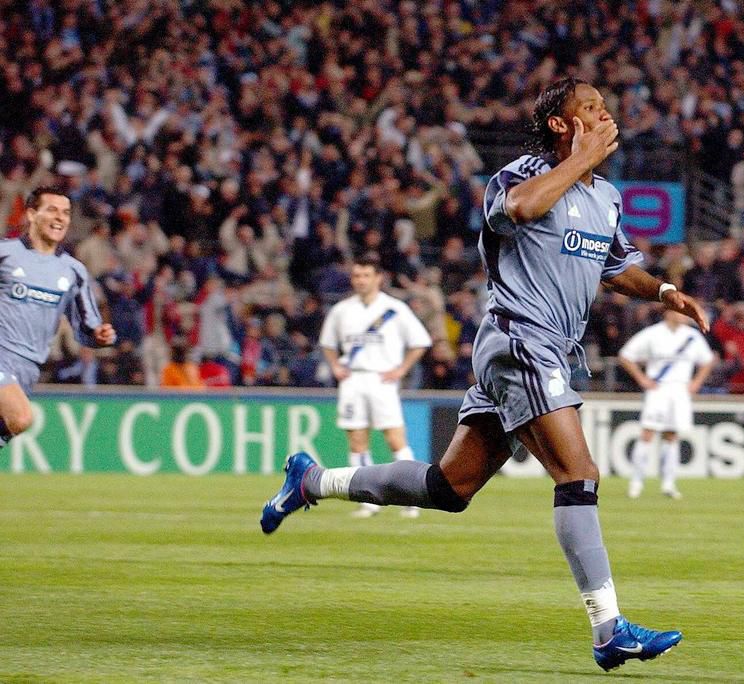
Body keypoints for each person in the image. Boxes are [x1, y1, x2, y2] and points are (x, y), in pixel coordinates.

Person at [260, 79, 708, 671]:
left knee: (450, 489)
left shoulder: (605, 196)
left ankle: (313, 480)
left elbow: (617, 266)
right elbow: (521, 211)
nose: (607, 117)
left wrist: (667, 292)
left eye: (605, 108)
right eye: (592, 108)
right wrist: (580, 160)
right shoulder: (516, 177)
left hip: (545, 348)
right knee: (579, 475)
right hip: (520, 339)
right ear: (560, 123)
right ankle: (608, 631)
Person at [0, 186, 116, 449]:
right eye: (52, 210)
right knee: (21, 417)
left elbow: (88, 326)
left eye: (65, 212)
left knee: (11, 423)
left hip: (28, 368)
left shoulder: (73, 271)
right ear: (31, 214)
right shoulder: (5, 254)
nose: (60, 218)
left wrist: (100, 335)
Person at [317, 253, 432, 519]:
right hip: (353, 379)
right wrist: (335, 365)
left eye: (366, 275)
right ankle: (368, 500)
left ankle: (412, 497)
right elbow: (327, 342)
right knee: (357, 440)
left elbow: (420, 341)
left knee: (395, 438)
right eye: (357, 275)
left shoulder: (394, 309)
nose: (360, 281)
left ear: (378, 278)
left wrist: (402, 369)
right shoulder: (342, 310)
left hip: (381, 379)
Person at [617, 309, 714, 499]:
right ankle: (636, 482)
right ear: (669, 313)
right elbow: (625, 355)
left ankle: (668, 483)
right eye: (680, 312)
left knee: (672, 435)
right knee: (648, 433)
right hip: (658, 388)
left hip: (680, 390)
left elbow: (708, 360)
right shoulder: (653, 333)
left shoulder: (692, 336)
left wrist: (696, 382)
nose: (684, 315)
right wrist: (642, 379)